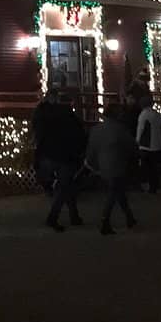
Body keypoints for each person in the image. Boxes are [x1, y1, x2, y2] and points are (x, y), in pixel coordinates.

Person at [32, 88, 87, 231]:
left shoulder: (42, 112)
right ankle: (53, 217)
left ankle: (74, 216)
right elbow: (79, 133)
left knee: (67, 185)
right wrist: (80, 150)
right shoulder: (68, 115)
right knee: (64, 186)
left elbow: (38, 131)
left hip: (48, 154)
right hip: (64, 155)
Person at [86, 103, 138, 235]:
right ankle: (105, 220)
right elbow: (131, 146)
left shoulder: (96, 129)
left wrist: (92, 164)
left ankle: (130, 218)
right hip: (117, 164)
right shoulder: (119, 129)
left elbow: (91, 149)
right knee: (114, 192)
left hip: (102, 165)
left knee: (118, 191)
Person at [135, 95, 161, 193]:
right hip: (157, 144)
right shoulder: (157, 114)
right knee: (154, 167)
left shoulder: (144, 115)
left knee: (145, 167)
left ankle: (148, 186)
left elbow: (141, 129)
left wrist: (137, 141)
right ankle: (155, 185)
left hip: (146, 145)